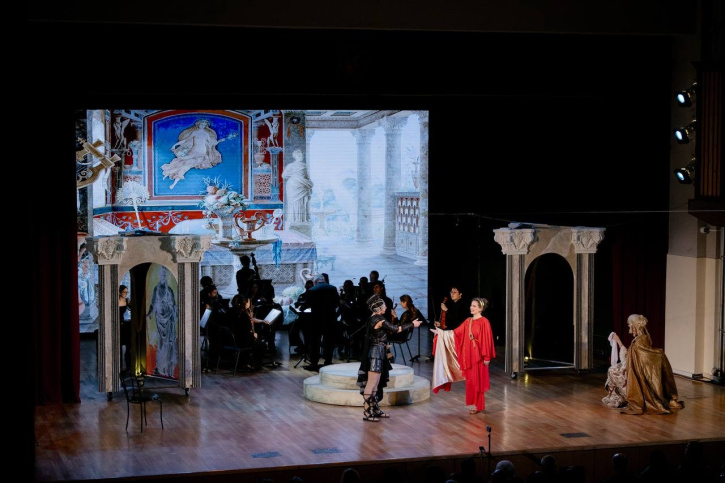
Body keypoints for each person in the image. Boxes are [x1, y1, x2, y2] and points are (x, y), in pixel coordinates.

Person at [357, 295, 422, 421]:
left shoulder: (373, 318)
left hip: (379, 352)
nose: (386, 307)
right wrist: (412, 324)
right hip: (376, 354)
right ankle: (367, 411)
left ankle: (375, 409)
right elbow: (396, 329)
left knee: (376, 384)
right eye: (384, 305)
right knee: (371, 384)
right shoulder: (379, 320)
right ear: (379, 308)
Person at [430, 297, 496, 414]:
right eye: (471, 305)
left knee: (477, 381)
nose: (471, 307)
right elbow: (455, 333)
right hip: (469, 356)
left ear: (480, 308)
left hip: (479, 356)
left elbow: (487, 340)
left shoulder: (484, 322)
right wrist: (440, 334)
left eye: (474, 306)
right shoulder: (468, 321)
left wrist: (487, 357)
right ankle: (473, 404)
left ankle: (478, 405)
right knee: (470, 381)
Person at [619, 314, 683, 415]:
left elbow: (643, 356)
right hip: (640, 365)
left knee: (612, 371)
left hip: (640, 368)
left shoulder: (639, 341)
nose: (628, 326)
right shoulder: (644, 335)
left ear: (634, 325)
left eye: (629, 324)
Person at [161, 118, 236, 189]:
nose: (202, 125)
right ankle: (170, 174)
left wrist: (221, 140)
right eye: (201, 124)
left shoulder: (206, 134)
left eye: (204, 124)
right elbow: (185, 140)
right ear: (198, 124)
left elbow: (213, 143)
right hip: (193, 152)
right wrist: (175, 145)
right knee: (182, 163)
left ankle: (173, 180)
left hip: (201, 154)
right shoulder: (195, 132)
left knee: (186, 166)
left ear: (206, 125)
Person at [298, 274, 340, 371]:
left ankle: (314, 363)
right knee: (329, 341)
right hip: (330, 318)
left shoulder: (312, 290)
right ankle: (328, 361)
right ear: (324, 280)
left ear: (315, 281)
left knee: (315, 342)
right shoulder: (332, 288)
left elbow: (307, 303)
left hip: (316, 319)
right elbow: (337, 303)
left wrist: (301, 308)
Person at [146, 267, 178, 377]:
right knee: (161, 343)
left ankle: (168, 368)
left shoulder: (169, 290)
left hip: (169, 320)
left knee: (169, 343)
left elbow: (174, 305)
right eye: (162, 274)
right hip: (160, 319)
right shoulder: (156, 289)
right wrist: (149, 314)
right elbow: (153, 303)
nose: (163, 276)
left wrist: (176, 312)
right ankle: (160, 367)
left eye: (165, 274)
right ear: (159, 275)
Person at [227, 294, 266, 370]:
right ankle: (255, 366)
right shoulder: (243, 315)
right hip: (241, 341)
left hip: (231, 340)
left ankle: (246, 362)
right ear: (244, 303)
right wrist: (253, 335)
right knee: (261, 345)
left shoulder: (229, 311)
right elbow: (246, 330)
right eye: (248, 301)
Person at [282, 149, 314, 223]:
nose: (301, 157)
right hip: (293, 186)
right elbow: (284, 175)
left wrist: (309, 185)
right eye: (299, 156)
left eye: (301, 156)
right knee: (294, 203)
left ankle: (302, 219)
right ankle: (294, 219)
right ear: (295, 157)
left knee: (303, 203)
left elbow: (307, 176)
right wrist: (294, 177)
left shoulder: (304, 165)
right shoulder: (291, 165)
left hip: (303, 186)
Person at [602, 331, 628, 408]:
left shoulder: (638, 343)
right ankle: (615, 395)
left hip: (630, 369)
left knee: (613, 371)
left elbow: (625, 358)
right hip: (627, 365)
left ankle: (621, 396)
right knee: (612, 369)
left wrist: (618, 341)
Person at [119, 285, 133, 371]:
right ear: (120, 292)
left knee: (128, 343)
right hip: (118, 322)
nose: (125, 294)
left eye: (126, 292)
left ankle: (128, 361)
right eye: (124, 292)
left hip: (124, 322)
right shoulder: (117, 300)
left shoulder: (127, 300)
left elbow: (132, 308)